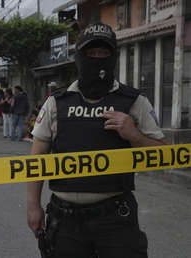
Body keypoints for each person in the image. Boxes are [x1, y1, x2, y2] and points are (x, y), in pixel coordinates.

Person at [27, 22, 166, 258]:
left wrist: (133, 134)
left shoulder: (134, 102)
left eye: (104, 53)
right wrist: (32, 205)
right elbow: (37, 159)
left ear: (113, 56)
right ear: (79, 57)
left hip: (115, 218)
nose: (97, 58)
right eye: (91, 53)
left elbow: (163, 155)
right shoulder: (57, 102)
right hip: (65, 220)